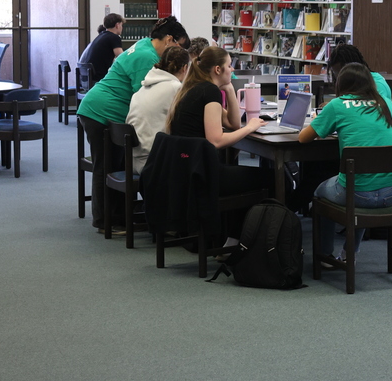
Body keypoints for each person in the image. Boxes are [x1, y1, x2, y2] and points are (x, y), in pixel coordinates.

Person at [77, 15, 190, 233]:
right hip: (101, 112)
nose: (178, 52)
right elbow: (147, 98)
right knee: (106, 166)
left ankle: (118, 217)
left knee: (114, 165)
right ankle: (104, 221)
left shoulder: (143, 46)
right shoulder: (147, 58)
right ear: (169, 40)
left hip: (105, 111)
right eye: (179, 45)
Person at [299, 62, 392, 262]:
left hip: (358, 193)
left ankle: (324, 254)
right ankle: (349, 254)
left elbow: (303, 138)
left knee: (321, 192)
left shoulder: (337, 105)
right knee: (364, 180)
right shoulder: (386, 103)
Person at [166, 46, 266, 240]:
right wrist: (250, 127)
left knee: (246, 176)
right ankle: (248, 240)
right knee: (270, 179)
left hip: (186, 169)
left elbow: (232, 123)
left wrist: (229, 89)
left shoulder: (195, 88)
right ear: (218, 70)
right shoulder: (209, 91)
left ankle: (231, 239)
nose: (233, 70)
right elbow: (216, 140)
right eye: (229, 66)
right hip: (203, 174)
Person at [126, 46, 189, 175]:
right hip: (153, 162)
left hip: (133, 160)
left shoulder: (145, 86)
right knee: (198, 159)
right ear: (185, 68)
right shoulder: (175, 87)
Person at [326, 43, 391, 101]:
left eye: (341, 73)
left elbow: (373, 111)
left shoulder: (377, 85)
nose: (338, 79)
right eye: (335, 74)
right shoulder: (357, 83)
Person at [79, 13, 125, 83]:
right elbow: (122, 58)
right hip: (98, 79)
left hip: (85, 79)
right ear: (117, 25)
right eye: (121, 25)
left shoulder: (101, 36)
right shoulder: (114, 37)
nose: (122, 28)